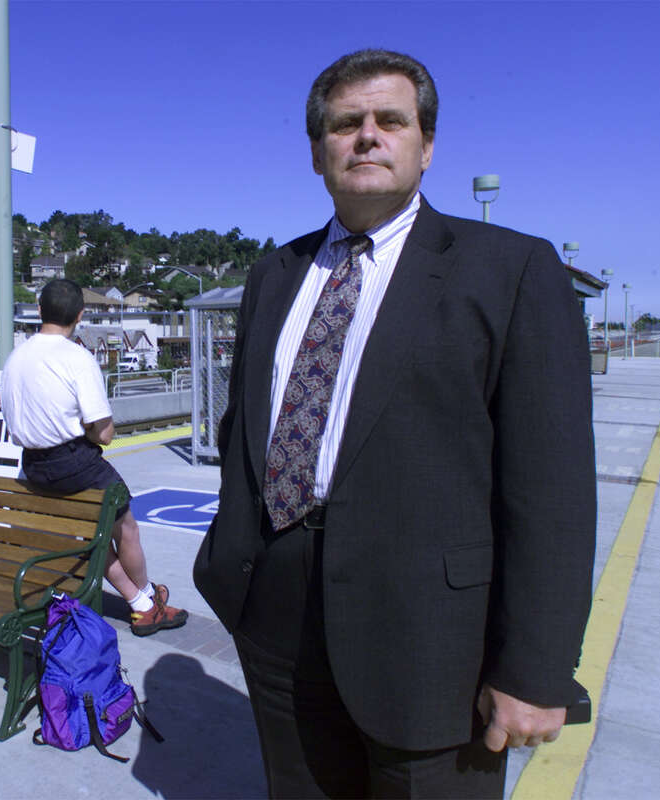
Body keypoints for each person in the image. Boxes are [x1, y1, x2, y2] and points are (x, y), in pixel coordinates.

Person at [193, 49, 596, 798]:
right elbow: (241, 429)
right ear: (319, 151)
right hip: (275, 618)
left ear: (427, 145)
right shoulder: (274, 274)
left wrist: (536, 668)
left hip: (433, 643)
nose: (367, 136)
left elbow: (553, 491)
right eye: (346, 124)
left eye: (390, 120)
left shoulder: (511, 270)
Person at [1, 278, 188, 637]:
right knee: (126, 528)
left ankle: (143, 601)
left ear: (40, 311)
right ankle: (147, 602)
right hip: (75, 465)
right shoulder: (76, 357)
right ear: (80, 315)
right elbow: (103, 433)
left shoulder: (15, 357)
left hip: (33, 466)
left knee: (92, 535)